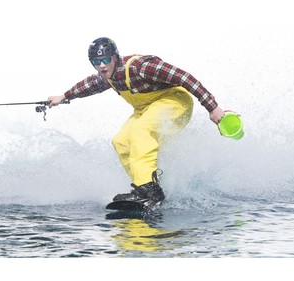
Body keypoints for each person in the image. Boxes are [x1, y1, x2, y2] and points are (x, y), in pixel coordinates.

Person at [48, 37, 225, 208]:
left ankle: (150, 190)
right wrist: (64, 96)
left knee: (141, 131)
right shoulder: (107, 75)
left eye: (106, 59)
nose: (101, 65)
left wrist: (212, 107)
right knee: (121, 141)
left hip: (176, 103)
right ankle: (143, 188)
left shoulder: (141, 67)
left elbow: (184, 78)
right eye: (96, 61)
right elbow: (89, 85)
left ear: (115, 57)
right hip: (147, 109)